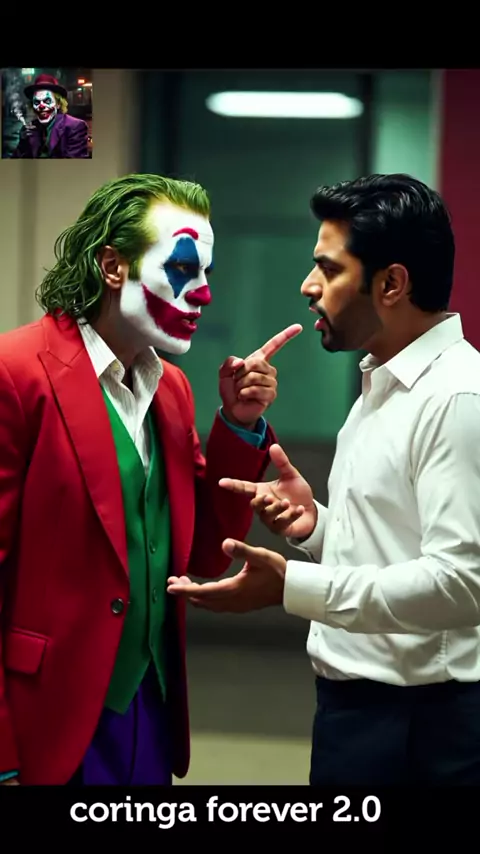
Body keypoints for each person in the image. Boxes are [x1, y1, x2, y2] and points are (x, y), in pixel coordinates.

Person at [168, 173, 480, 785]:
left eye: (329, 269)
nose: (308, 286)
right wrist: (317, 527)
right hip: (360, 711)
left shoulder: (456, 397)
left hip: (423, 728)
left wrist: (294, 585)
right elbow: (398, 544)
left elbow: (462, 584)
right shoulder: (384, 382)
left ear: (391, 283)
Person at [0, 173, 302, 785]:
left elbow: (200, 555)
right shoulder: (16, 373)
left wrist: (239, 425)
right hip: (45, 713)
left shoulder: (173, 391)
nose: (205, 293)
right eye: (184, 269)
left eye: (206, 272)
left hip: (149, 709)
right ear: (113, 267)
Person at [11, 73, 89, 159]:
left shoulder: (75, 127)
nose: (41, 106)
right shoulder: (29, 129)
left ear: (58, 104)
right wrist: (23, 144)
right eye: (37, 102)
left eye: (47, 101)